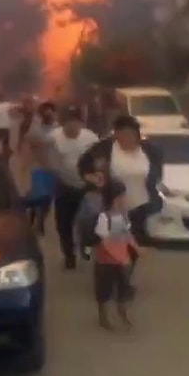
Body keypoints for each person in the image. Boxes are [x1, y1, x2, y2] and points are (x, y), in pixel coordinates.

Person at [81, 115, 164, 243]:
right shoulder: (103, 148)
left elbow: (157, 174)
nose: (126, 138)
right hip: (113, 207)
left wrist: (160, 186)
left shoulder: (150, 150)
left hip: (142, 207)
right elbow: (84, 165)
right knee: (113, 242)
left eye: (129, 134)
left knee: (137, 243)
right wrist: (91, 177)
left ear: (136, 134)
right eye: (121, 134)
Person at [46, 105, 99, 269]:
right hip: (64, 186)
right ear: (63, 123)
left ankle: (86, 248)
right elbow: (50, 161)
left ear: (81, 123)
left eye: (76, 122)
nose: (72, 126)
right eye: (69, 122)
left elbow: (99, 161)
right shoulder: (53, 138)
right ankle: (69, 255)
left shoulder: (90, 138)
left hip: (86, 187)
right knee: (64, 224)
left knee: (88, 223)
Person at [92, 181, 141, 330]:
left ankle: (122, 313)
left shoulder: (124, 216)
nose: (124, 199)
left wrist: (137, 248)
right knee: (104, 290)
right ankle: (103, 317)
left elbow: (127, 235)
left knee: (122, 288)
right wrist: (120, 258)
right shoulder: (104, 218)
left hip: (121, 259)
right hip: (105, 262)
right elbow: (105, 242)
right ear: (115, 198)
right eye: (122, 196)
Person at [73, 154, 107, 262]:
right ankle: (86, 245)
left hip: (103, 198)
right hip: (90, 198)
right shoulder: (87, 167)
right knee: (88, 224)